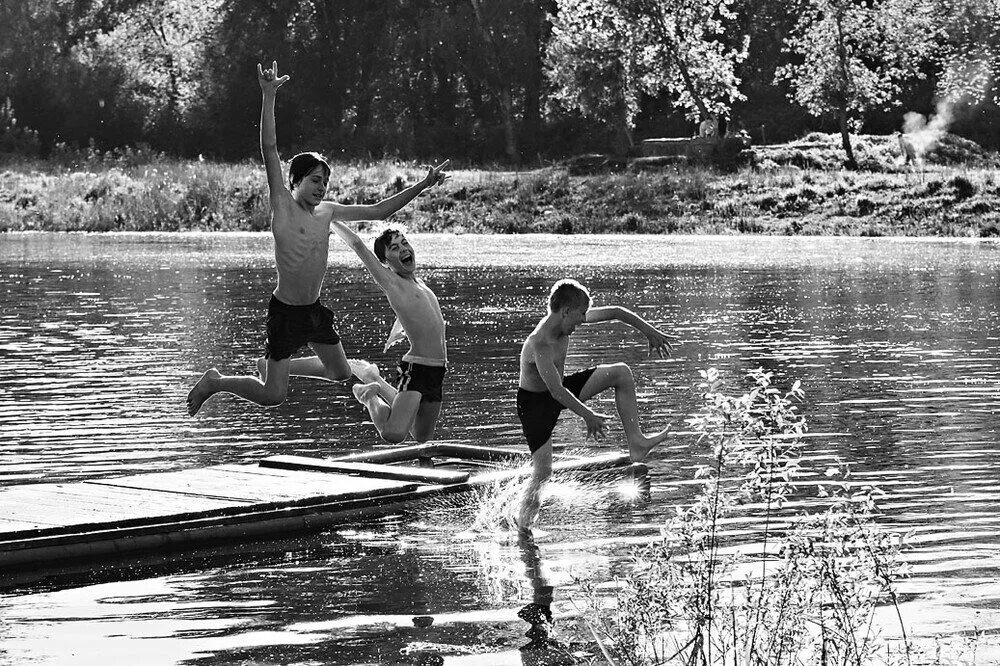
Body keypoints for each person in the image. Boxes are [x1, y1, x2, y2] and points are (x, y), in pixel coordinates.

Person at [187, 61, 445, 416]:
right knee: (273, 395)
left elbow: (380, 211)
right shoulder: (283, 205)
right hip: (285, 313)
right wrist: (268, 96)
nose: (321, 188)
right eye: (313, 180)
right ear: (294, 182)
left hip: (314, 311)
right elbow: (270, 147)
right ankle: (216, 382)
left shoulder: (328, 211)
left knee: (341, 372)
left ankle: (274, 366)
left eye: (325, 182)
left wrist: (424, 184)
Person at [516, 278, 673, 533]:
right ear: (566, 311)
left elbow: (616, 312)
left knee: (621, 373)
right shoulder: (539, 344)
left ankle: (637, 442)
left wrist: (649, 332)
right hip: (535, 406)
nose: (581, 323)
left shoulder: (567, 318)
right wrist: (588, 415)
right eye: (579, 317)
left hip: (560, 387)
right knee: (543, 473)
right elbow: (556, 392)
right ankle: (523, 529)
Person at [332, 223, 448, 444]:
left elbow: (414, 314)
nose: (403, 249)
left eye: (404, 243)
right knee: (393, 433)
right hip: (417, 368)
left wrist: (397, 332)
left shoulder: (420, 284)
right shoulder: (392, 282)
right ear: (385, 262)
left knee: (421, 437)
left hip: (437, 370)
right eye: (394, 248)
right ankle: (369, 397)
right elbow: (357, 244)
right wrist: (331, 217)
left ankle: (374, 379)